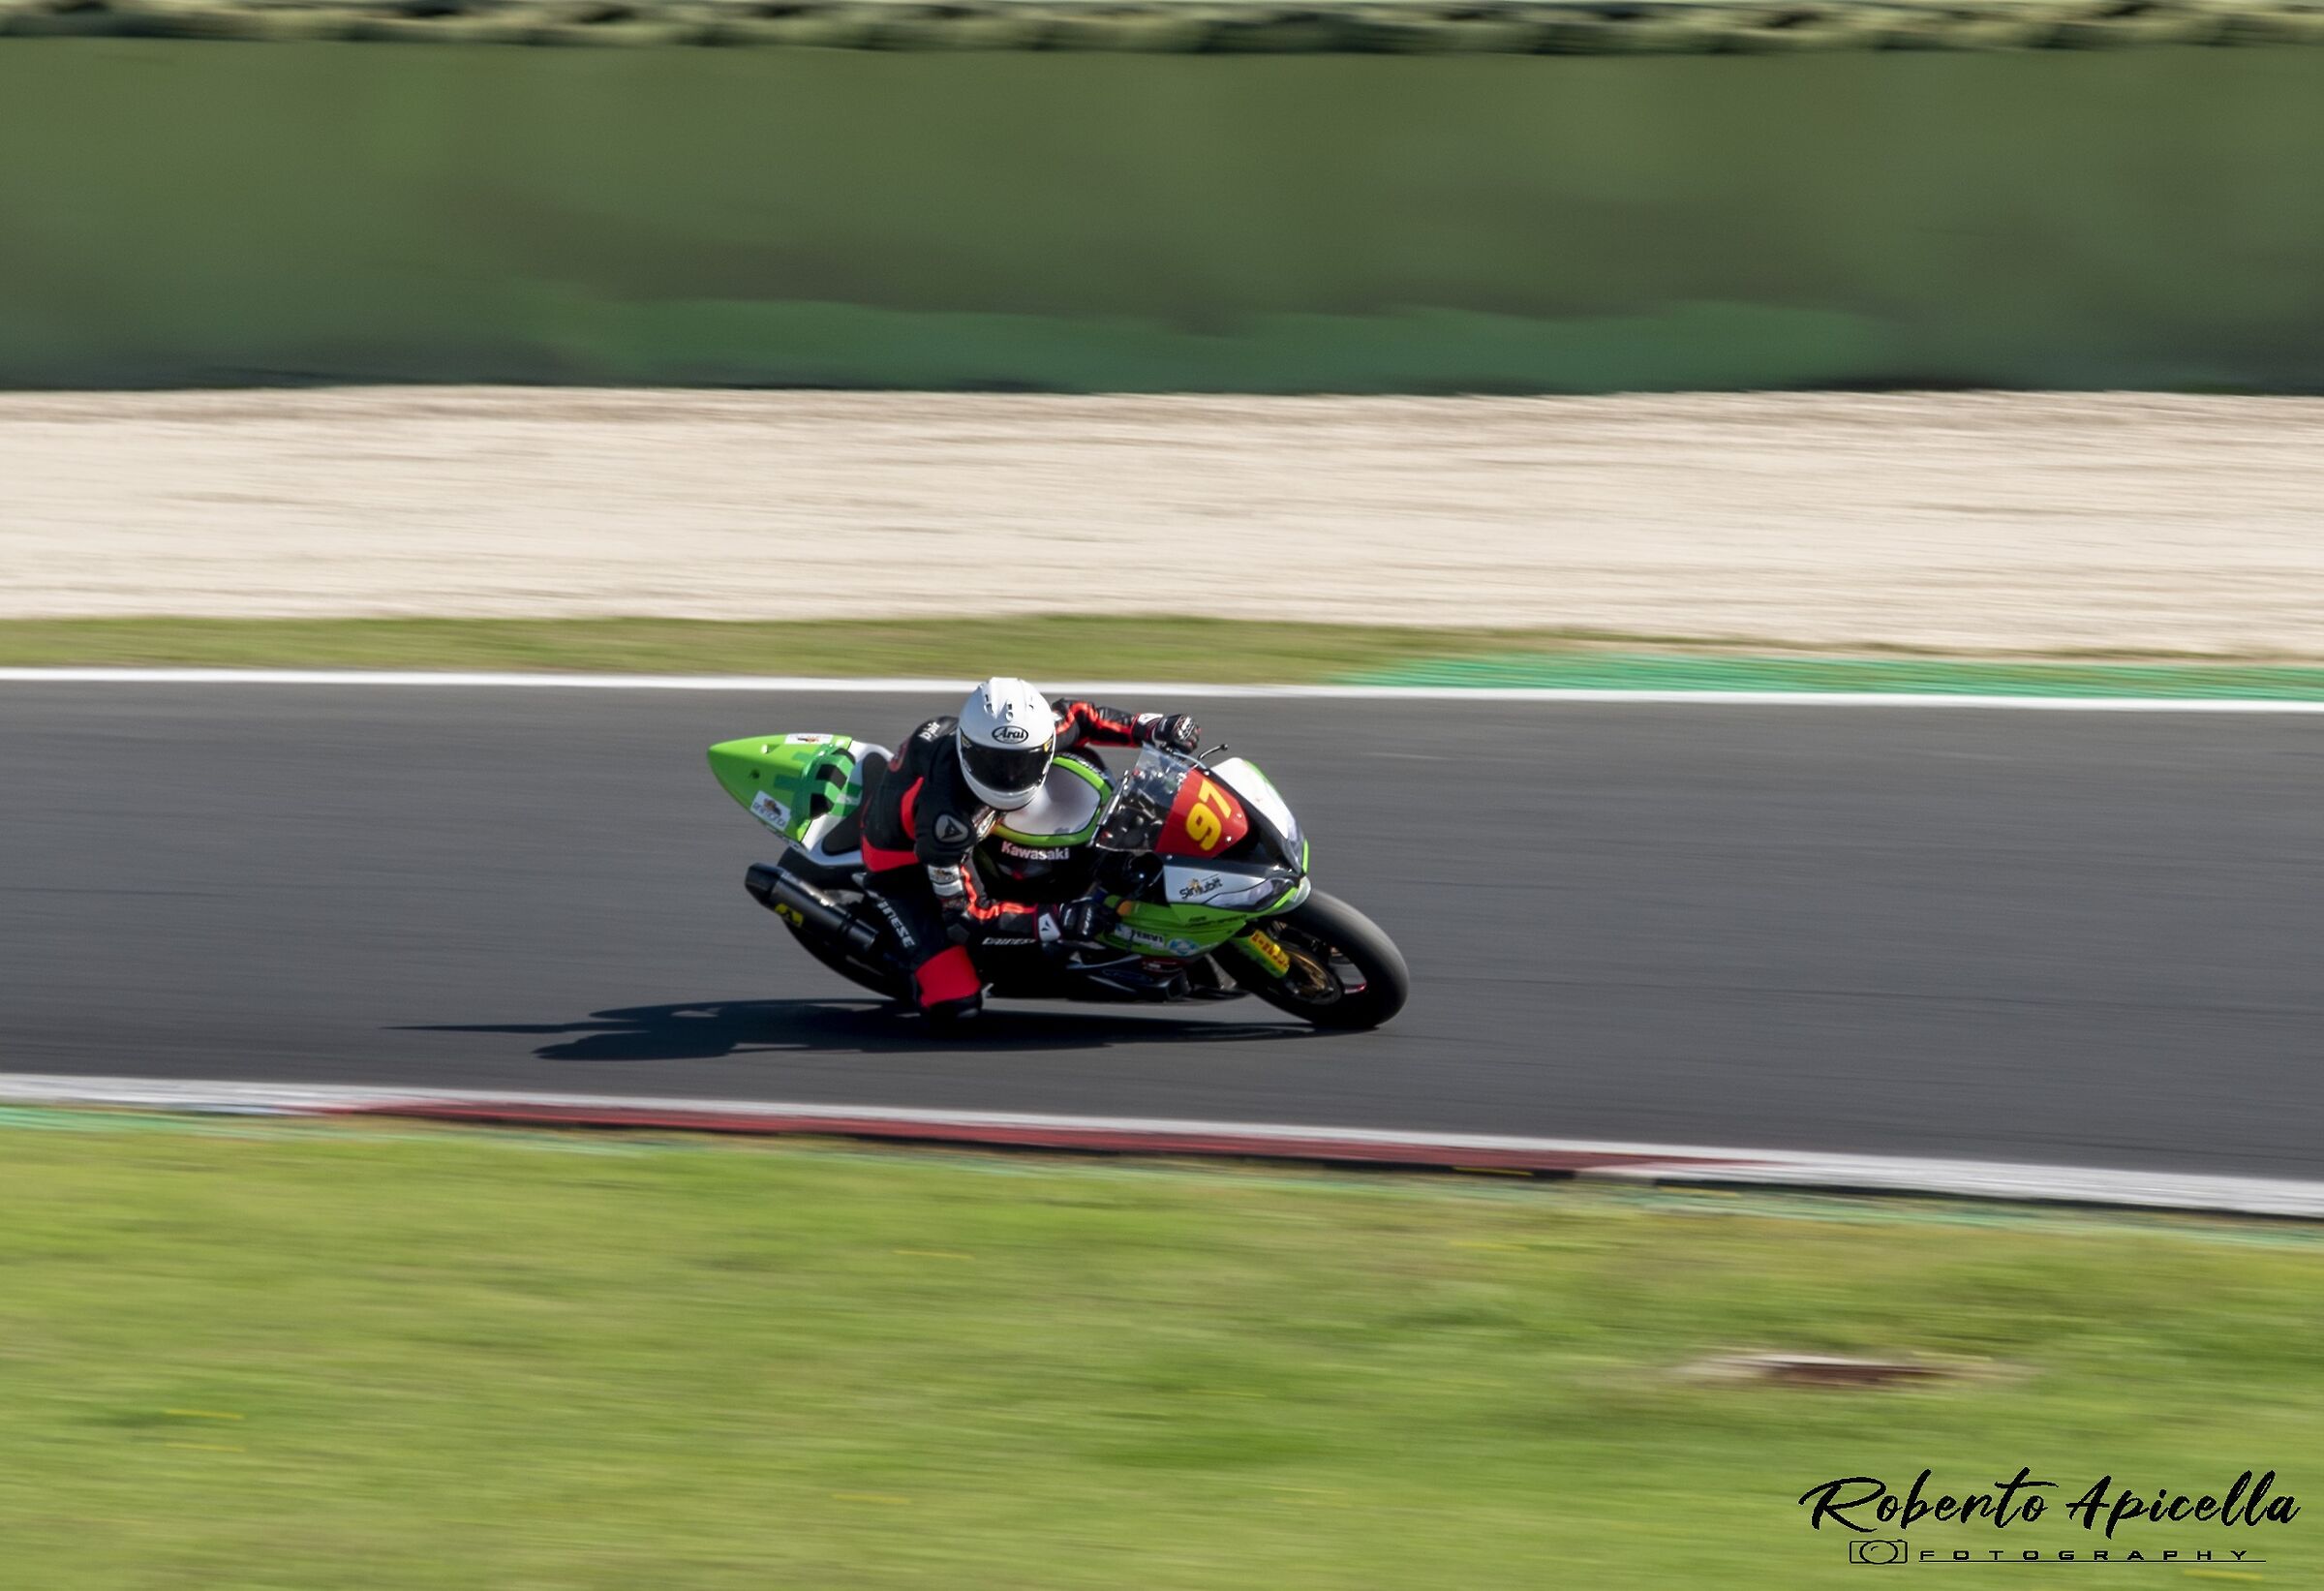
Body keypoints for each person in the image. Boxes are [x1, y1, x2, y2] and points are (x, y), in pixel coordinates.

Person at [857, 677, 1200, 1022]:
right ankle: (919, 959)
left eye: (1023, 761)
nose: (1010, 776)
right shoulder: (947, 822)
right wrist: (1055, 919)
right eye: (995, 763)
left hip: (947, 807)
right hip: (902, 862)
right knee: (955, 1004)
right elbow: (967, 916)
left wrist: (1153, 727)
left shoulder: (1033, 729)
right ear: (967, 750)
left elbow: (1081, 716)